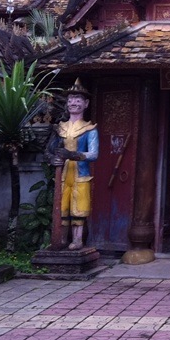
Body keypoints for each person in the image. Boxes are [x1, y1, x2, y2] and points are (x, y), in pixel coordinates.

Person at [47, 79, 99, 250]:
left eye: (78, 100)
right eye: (70, 100)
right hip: (62, 174)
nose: (73, 103)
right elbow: (50, 150)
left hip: (80, 174)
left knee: (79, 208)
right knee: (62, 208)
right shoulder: (59, 128)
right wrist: (52, 158)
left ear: (86, 104)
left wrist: (73, 155)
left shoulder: (90, 129)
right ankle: (61, 238)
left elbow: (94, 154)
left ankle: (77, 239)